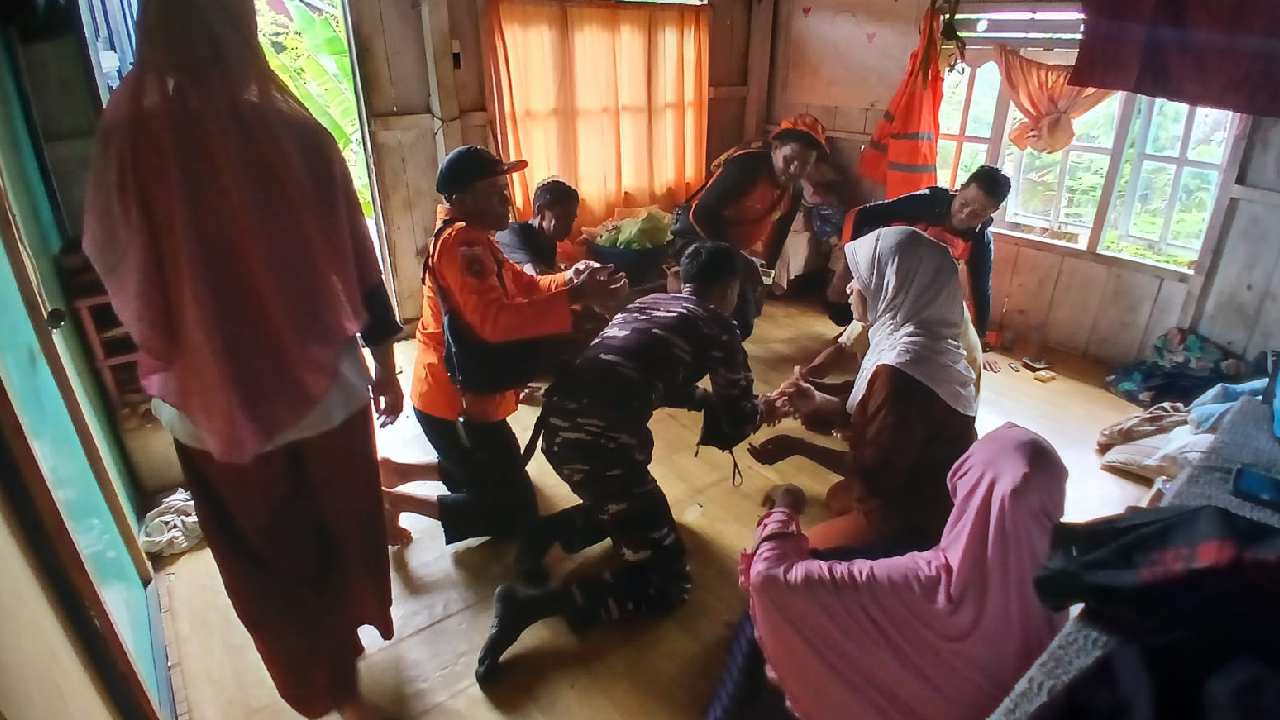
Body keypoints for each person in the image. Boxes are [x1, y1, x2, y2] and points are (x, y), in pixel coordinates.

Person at [82, 2, 400, 717]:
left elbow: (116, 263)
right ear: (243, 33)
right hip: (326, 392)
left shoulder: (129, 147)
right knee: (342, 528)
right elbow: (360, 266)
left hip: (208, 410)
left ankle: (314, 681)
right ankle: (347, 670)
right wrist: (384, 366)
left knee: (265, 560)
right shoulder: (294, 134)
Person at [474, 241, 783, 681]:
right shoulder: (719, 326)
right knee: (670, 581)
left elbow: (645, 367)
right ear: (730, 289)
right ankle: (531, 605)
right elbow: (737, 419)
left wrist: (702, 400)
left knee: (634, 510)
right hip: (599, 449)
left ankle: (548, 532)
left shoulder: (651, 303)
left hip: (560, 432)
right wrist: (766, 409)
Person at [736, 424, 1068, 720]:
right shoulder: (1057, 606)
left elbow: (771, 580)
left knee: (750, 641)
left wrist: (784, 507)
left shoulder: (924, 582)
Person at [383, 146, 627, 546]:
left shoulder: (477, 238)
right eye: (494, 190)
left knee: (498, 474)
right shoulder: (462, 245)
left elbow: (527, 286)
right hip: (451, 402)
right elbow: (494, 322)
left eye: (505, 188)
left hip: (468, 393)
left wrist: (572, 282)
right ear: (461, 199)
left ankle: (398, 471)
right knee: (513, 512)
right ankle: (398, 502)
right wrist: (572, 301)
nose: (507, 198)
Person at [752, 227, 978, 552]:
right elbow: (872, 408)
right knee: (838, 498)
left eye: (860, 277)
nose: (849, 286)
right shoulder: (914, 337)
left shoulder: (906, 370)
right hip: (925, 484)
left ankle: (915, 553)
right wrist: (816, 399)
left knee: (787, 562)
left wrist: (797, 446)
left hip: (919, 514)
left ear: (891, 284)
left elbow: (873, 473)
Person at [828, 164, 1011, 373]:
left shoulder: (981, 241)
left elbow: (980, 291)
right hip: (882, 267)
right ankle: (854, 330)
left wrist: (981, 345)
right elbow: (860, 215)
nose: (965, 215)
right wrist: (847, 265)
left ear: (992, 212)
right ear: (959, 189)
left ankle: (873, 343)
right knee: (839, 310)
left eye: (977, 213)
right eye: (963, 204)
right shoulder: (926, 201)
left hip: (919, 287)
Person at [669, 114, 827, 338]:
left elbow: (778, 236)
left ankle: (728, 343)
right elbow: (702, 213)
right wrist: (734, 257)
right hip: (695, 235)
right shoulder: (746, 167)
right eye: (789, 159)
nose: (794, 170)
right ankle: (712, 342)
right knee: (735, 289)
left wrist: (767, 275)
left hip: (729, 247)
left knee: (752, 297)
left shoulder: (795, 191)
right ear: (775, 149)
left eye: (804, 165)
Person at [497, 177, 580, 276]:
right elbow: (536, 276)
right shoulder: (512, 233)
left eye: (572, 219)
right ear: (540, 211)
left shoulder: (549, 240)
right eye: (563, 217)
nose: (568, 226)